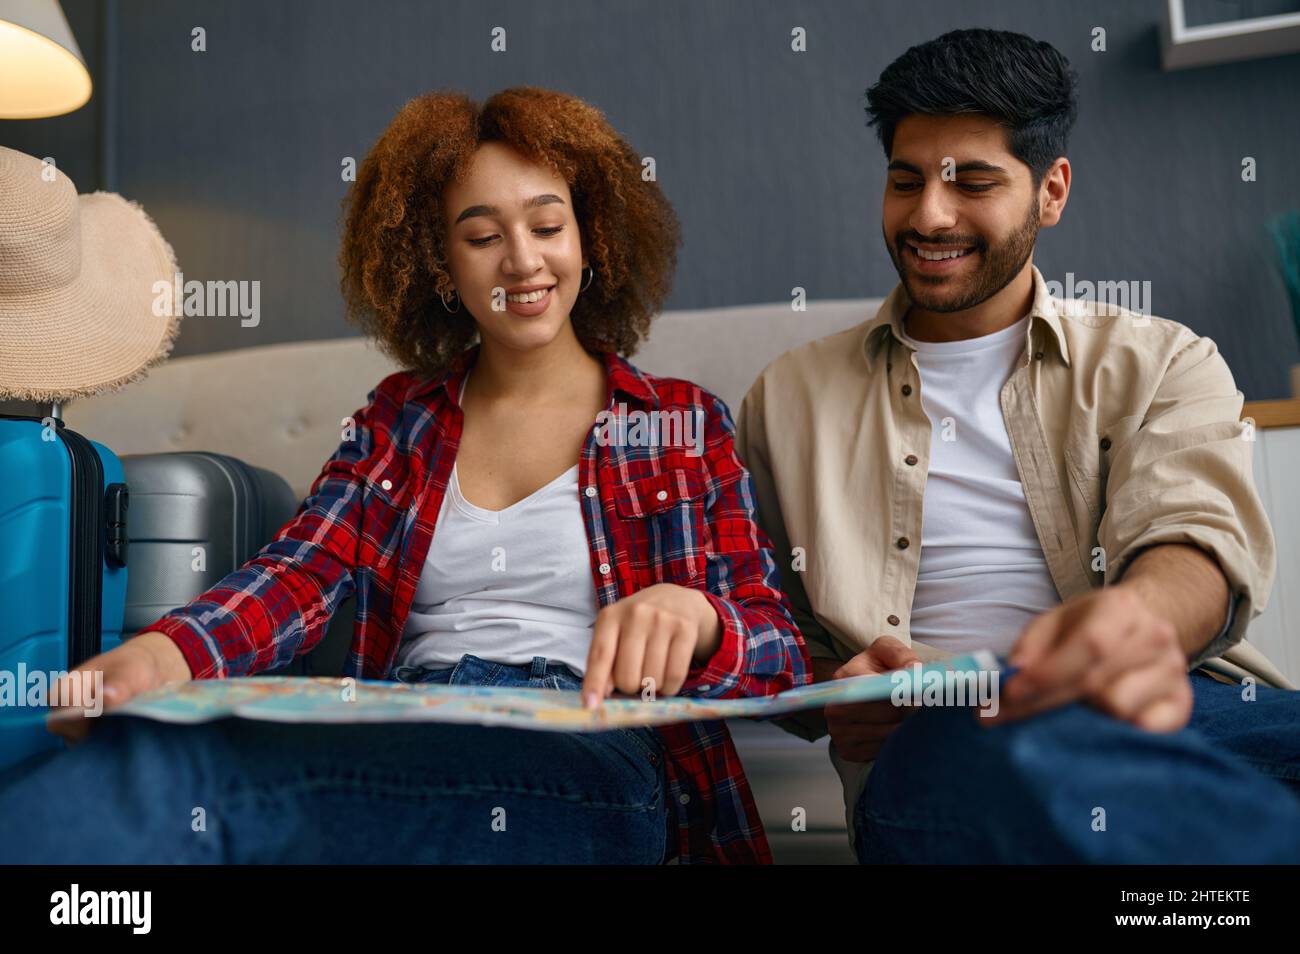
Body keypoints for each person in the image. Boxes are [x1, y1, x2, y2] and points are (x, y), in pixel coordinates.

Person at [0, 87, 810, 865]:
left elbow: (782, 651)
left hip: (593, 752)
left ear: (590, 236)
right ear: (440, 264)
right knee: (156, 747)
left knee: (189, 785)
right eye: (482, 235)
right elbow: (301, 571)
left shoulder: (679, 422)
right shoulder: (399, 419)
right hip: (405, 721)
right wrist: (165, 656)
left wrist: (698, 615)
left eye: (548, 225)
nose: (523, 260)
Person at [736, 29, 1300, 863]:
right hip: (947, 731)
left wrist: (1121, 627)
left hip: (1178, 708)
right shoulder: (785, 398)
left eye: (973, 181)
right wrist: (827, 700)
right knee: (985, 748)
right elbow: (770, 639)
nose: (930, 214)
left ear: (1051, 190)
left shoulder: (1163, 360)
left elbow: (1195, 540)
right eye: (905, 181)